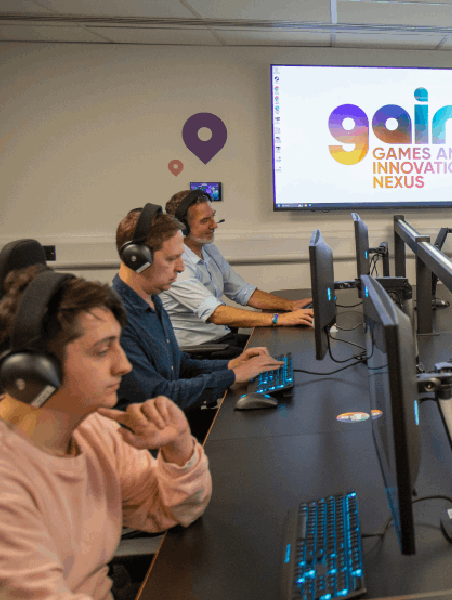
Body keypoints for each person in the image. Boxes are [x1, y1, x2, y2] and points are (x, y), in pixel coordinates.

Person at [0, 266, 212, 600]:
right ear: (37, 371)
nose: (124, 365)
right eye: (102, 350)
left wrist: (179, 447)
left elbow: (173, 509)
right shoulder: (8, 483)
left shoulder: (91, 428)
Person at [113, 205, 283, 439]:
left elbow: (179, 365)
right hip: (149, 441)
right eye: (172, 258)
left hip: (174, 420)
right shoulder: (116, 321)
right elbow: (160, 395)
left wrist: (232, 365)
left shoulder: (152, 299)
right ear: (137, 258)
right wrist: (232, 377)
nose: (181, 267)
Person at [162, 189, 313, 356]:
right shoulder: (175, 264)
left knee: (287, 345)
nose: (214, 225)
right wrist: (278, 319)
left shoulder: (208, 249)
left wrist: (290, 306)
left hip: (222, 338)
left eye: (213, 216)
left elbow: (242, 291)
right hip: (199, 351)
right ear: (182, 228)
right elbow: (216, 313)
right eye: (205, 220)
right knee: (275, 355)